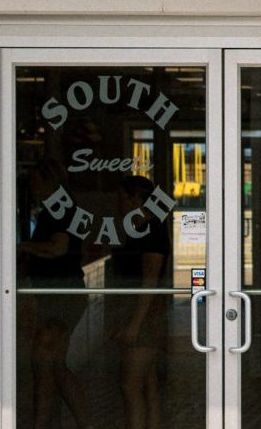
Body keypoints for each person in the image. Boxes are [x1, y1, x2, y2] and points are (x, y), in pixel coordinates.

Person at [18, 158, 91, 429]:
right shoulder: (57, 209)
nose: (32, 188)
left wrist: (24, 247)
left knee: (46, 362)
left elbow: (59, 247)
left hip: (62, 294)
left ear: (48, 181)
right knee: (50, 365)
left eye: (35, 181)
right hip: (58, 294)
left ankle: (53, 424)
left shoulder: (60, 209)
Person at [108, 175, 171, 429]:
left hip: (145, 316)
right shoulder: (137, 229)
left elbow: (150, 279)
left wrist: (135, 324)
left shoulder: (152, 230)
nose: (119, 203)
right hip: (139, 313)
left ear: (136, 199)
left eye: (122, 198)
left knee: (129, 385)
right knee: (148, 384)